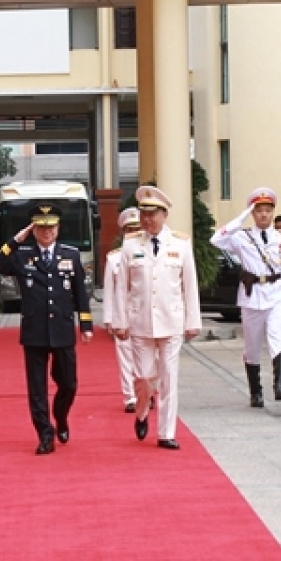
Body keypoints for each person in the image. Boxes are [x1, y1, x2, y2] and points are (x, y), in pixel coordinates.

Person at [0, 204, 94, 454]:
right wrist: (17, 239)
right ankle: (45, 433)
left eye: (50, 227)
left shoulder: (70, 255)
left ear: (58, 228)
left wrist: (86, 325)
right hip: (35, 331)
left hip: (61, 329)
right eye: (40, 227)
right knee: (37, 389)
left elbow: (81, 294)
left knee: (69, 384)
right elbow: (0, 264)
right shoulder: (22, 255)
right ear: (33, 229)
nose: (46, 232)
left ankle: (60, 415)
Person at [112, 187, 201, 449]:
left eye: (153, 214)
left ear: (164, 215)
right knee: (143, 377)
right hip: (140, 322)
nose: (147, 219)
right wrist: (120, 321)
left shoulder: (180, 244)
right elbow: (121, 288)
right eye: (143, 214)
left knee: (169, 376)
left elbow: (189, 285)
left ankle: (166, 433)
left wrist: (192, 321)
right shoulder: (130, 245)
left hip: (171, 321)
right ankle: (141, 412)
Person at [212, 188, 281, 407]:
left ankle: (280, 385)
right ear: (253, 214)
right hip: (252, 296)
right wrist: (241, 217)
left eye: (268, 210)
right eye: (259, 211)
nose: (264, 215)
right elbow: (216, 239)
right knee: (252, 347)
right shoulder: (241, 237)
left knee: (278, 338)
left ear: (273, 212)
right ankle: (255, 391)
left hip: (276, 294)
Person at [103, 207, 142, 413]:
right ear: (123, 233)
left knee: (147, 358)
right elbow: (109, 290)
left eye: (137, 229)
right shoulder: (114, 258)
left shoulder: (147, 254)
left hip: (145, 313)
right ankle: (130, 397)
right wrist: (110, 318)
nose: (133, 233)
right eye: (129, 230)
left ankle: (145, 391)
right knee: (126, 356)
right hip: (123, 313)